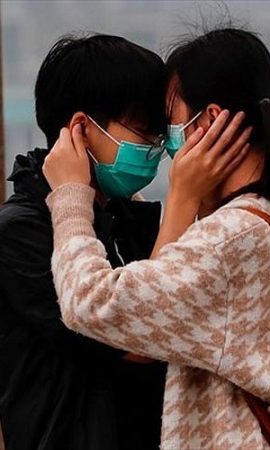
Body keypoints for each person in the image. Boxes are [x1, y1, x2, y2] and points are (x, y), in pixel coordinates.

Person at [43, 28, 270, 449]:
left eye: (172, 122)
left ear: (210, 120)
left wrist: (71, 196)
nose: (167, 143)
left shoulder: (229, 241)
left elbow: (90, 302)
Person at [0, 33, 170, 450]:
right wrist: (186, 194)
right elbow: (141, 338)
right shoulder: (20, 233)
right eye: (143, 132)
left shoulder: (124, 217)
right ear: (82, 128)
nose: (154, 150)